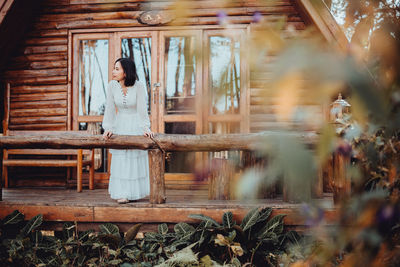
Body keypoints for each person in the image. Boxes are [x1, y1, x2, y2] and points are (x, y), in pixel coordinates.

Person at [102, 58, 154, 204]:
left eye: (117, 69)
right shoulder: (112, 86)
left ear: (126, 71)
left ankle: (133, 193)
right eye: (114, 68)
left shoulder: (139, 86)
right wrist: (108, 127)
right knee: (121, 160)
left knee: (133, 159)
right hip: (120, 124)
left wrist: (145, 127)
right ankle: (122, 193)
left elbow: (142, 109)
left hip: (135, 124)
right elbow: (110, 108)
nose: (113, 71)